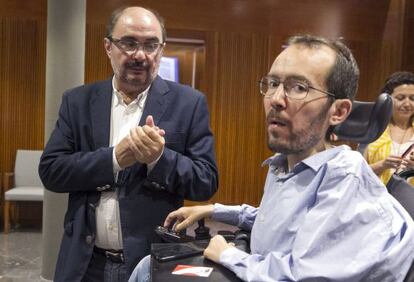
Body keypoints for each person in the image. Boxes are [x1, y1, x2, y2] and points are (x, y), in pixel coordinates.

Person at [130, 35, 414, 282]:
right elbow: (284, 223)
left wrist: (228, 255)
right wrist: (216, 210)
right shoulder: (285, 163)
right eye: (273, 83)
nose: (276, 98)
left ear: (338, 112)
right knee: (148, 266)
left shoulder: (344, 177)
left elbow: (302, 277)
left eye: (298, 87)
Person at [38, 6, 218, 282]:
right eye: (129, 43)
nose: (140, 55)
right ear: (108, 47)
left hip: (151, 263)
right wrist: (114, 159)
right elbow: (51, 171)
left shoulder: (189, 103)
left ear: (161, 50)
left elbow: (205, 181)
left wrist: (159, 158)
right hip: (85, 264)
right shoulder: (78, 101)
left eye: (150, 45)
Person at [365, 71, 414, 185]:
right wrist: (382, 165)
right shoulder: (372, 130)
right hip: (377, 198)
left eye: (412, 98)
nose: (407, 104)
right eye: (401, 98)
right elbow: (358, 172)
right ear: (387, 99)